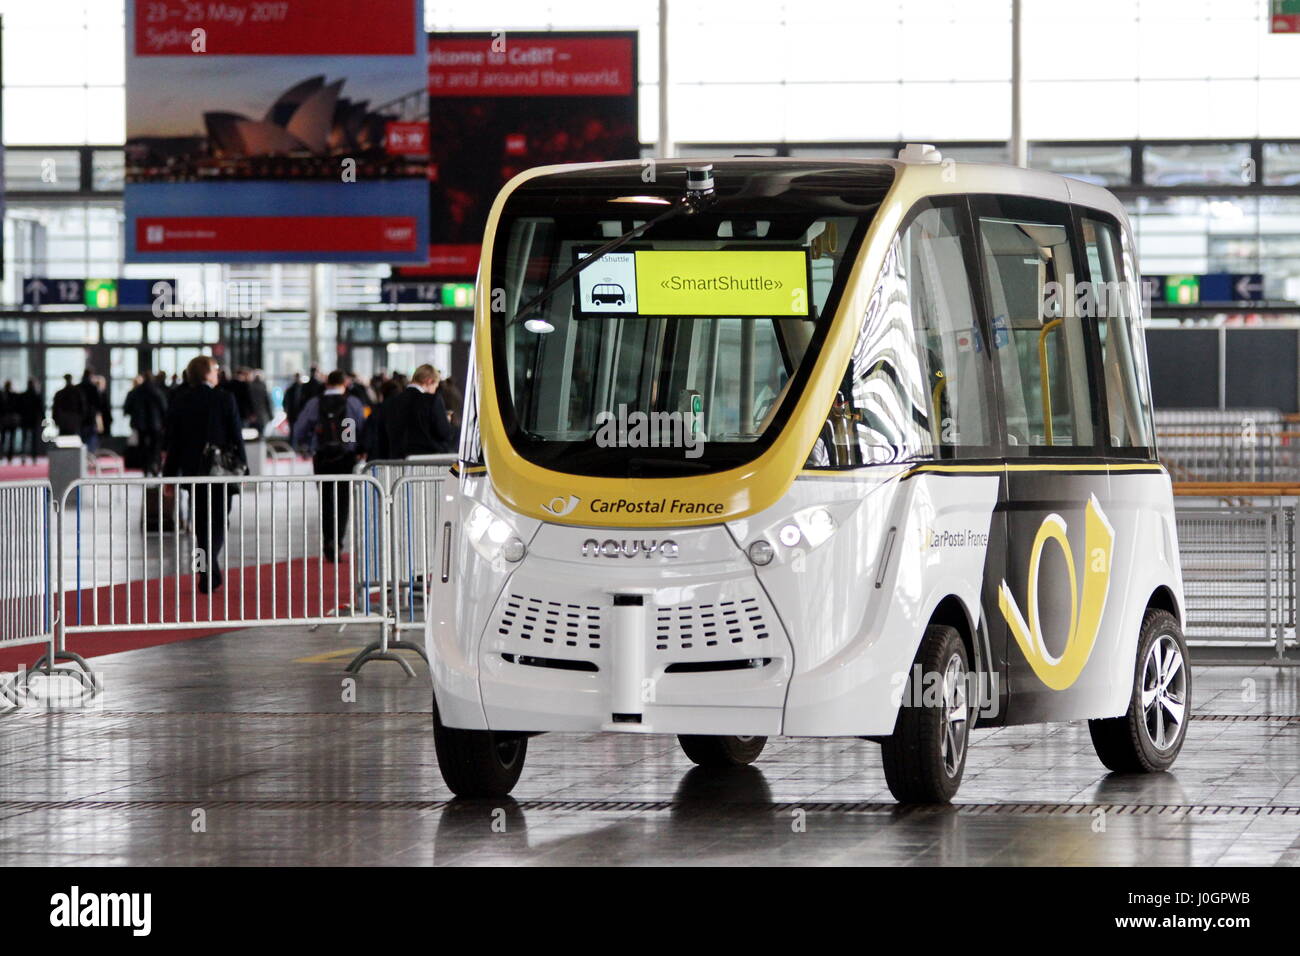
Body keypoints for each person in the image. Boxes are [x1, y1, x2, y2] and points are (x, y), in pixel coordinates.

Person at [163, 355, 247, 593]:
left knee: (200, 527)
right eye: (215, 369)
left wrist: (169, 476)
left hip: (193, 472)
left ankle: (204, 569)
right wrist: (243, 467)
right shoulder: (225, 398)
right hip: (220, 472)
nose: (218, 372)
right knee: (219, 521)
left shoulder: (180, 400)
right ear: (207, 373)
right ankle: (210, 564)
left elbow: (173, 443)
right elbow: (236, 436)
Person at [291, 370, 366, 562]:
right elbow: (361, 427)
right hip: (346, 457)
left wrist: (305, 445)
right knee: (342, 500)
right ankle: (338, 541)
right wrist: (360, 449)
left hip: (322, 456)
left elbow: (300, 428)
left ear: (327, 384)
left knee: (326, 499)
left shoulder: (314, 403)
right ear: (345, 383)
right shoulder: (353, 403)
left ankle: (327, 540)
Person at [384, 364, 455, 459]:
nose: (434, 390)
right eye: (435, 386)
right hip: (426, 460)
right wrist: (446, 420)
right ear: (429, 381)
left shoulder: (392, 402)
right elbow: (444, 433)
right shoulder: (432, 400)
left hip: (398, 460)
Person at [124, 370, 167, 475]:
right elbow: (164, 408)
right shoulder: (157, 391)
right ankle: (155, 465)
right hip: (155, 424)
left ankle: (145, 467)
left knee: (142, 447)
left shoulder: (136, 391)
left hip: (140, 425)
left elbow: (127, 408)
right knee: (155, 447)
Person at [19, 378, 43, 462]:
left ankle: (24, 455)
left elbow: (19, 408)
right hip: (33, 420)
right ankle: (34, 456)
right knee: (33, 439)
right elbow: (40, 409)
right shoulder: (36, 396)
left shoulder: (24, 395)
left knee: (25, 439)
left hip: (26, 420)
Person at [0, 381, 18, 461]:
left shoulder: (10, 395)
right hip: (6, 420)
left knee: (6, 439)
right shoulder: (4, 396)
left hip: (9, 420)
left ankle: (7, 454)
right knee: (6, 438)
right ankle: (6, 454)